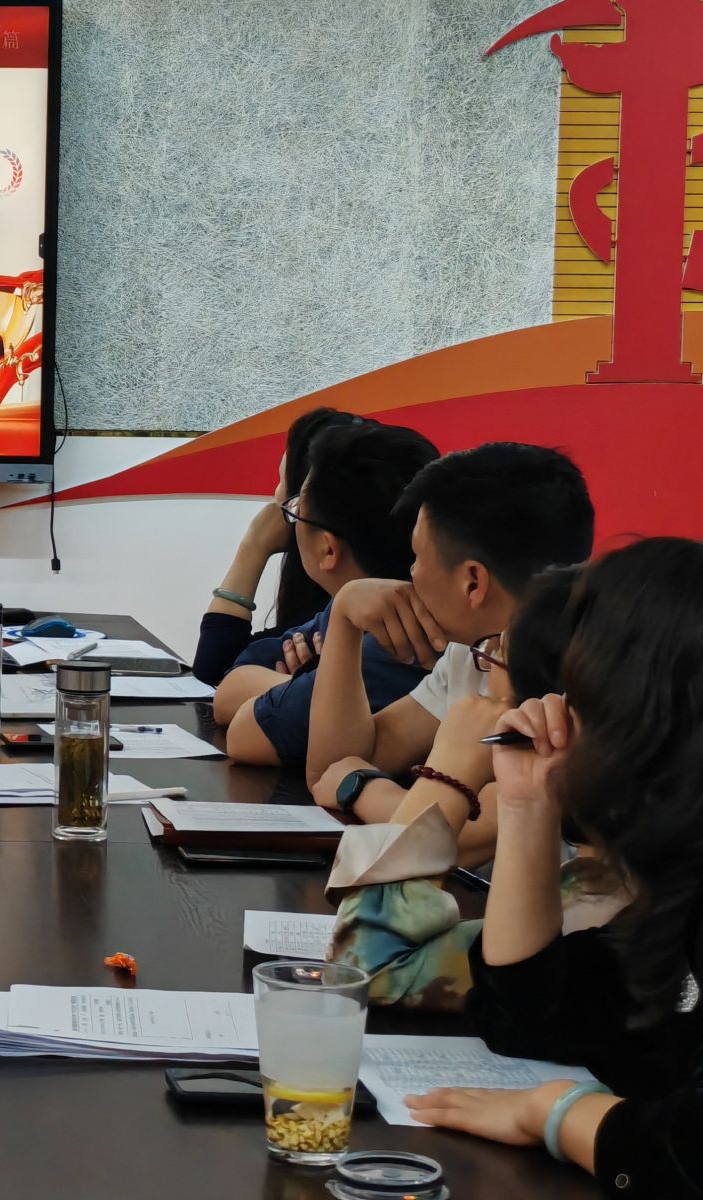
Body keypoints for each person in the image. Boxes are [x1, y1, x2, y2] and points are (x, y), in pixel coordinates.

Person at [403, 539, 703, 1195]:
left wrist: (553, 1113)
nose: (560, 712)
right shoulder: (674, 895)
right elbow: (525, 1018)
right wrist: (526, 804)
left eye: (582, 694)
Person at [302, 442, 595, 791]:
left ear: (473, 582)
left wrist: (366, 794)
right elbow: (333, 770)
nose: (410, 572)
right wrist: (344, 616)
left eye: (417, 556)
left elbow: (480, 820)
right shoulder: (469, 655)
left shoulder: (593, 682)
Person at [218, 421, 440, 767]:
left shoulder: (393, 645)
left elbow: (244, 733)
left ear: (328, 548)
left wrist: (319, 682)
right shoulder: (347, 608)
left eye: (295, 510)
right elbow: (232, 681)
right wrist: (312, 682)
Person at [192, 407, 366, 686]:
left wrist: (253, 546)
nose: (275, 501)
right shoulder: (327, 611)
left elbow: (217, 670)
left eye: (284, 487)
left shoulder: (337, 627)